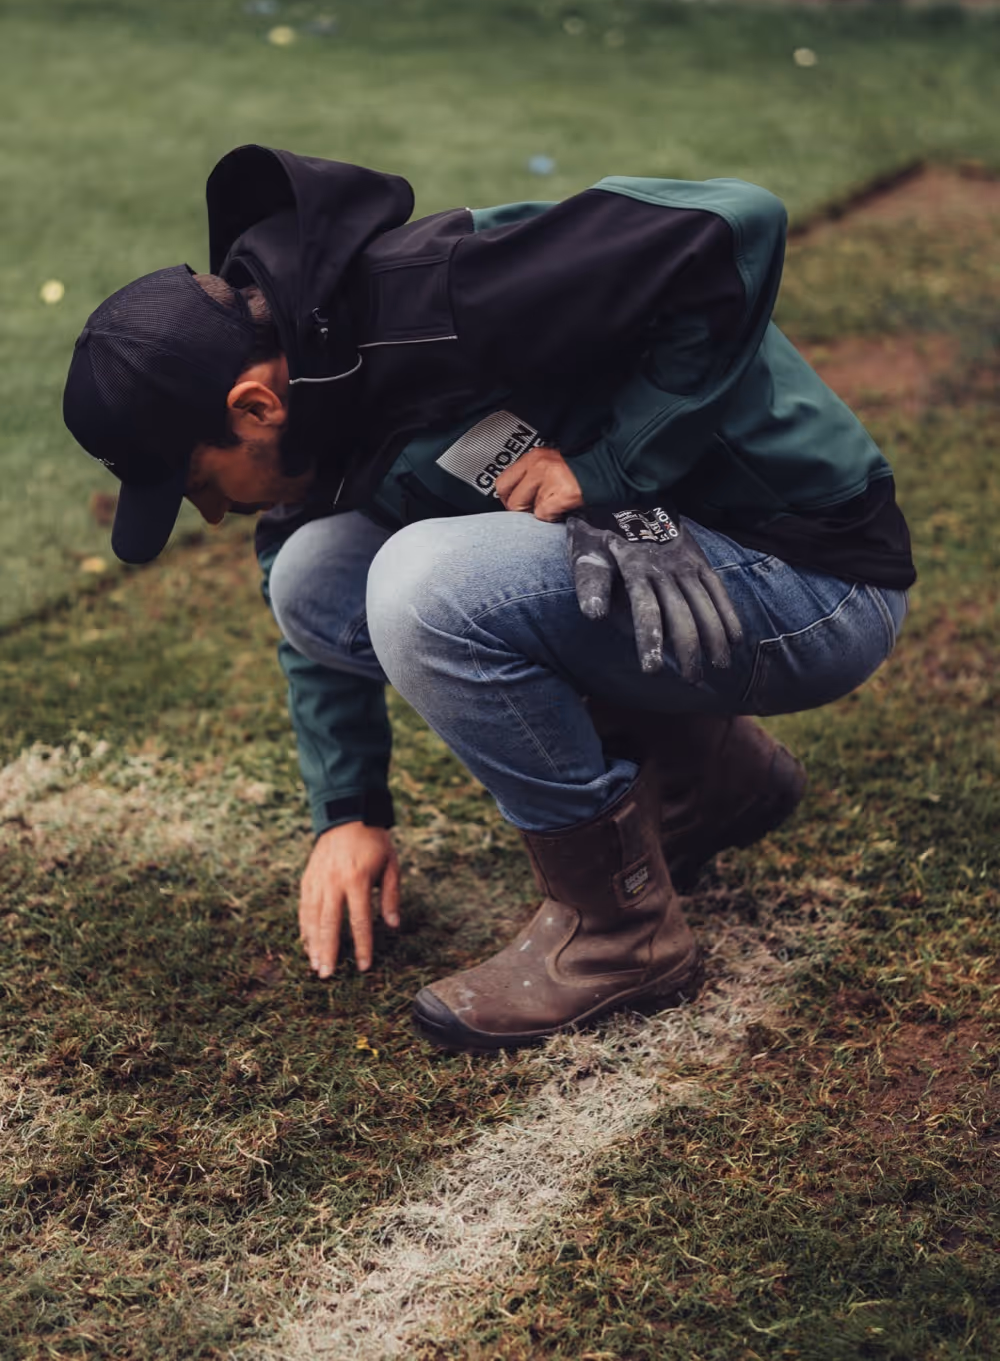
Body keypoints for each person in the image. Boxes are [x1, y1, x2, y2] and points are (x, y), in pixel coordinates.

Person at [63, 144, 915, 1052]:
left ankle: (620, 933)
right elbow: (304, 600)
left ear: (253, 408)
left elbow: (736, 218)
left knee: (423, 586)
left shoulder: (447, 295)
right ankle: (715, 778)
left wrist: (616, 467)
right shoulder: (311, 383)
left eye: (199, 483)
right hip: (672, 574)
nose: (215, 514)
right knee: (314, 577)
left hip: (809, 575)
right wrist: (349, 812)